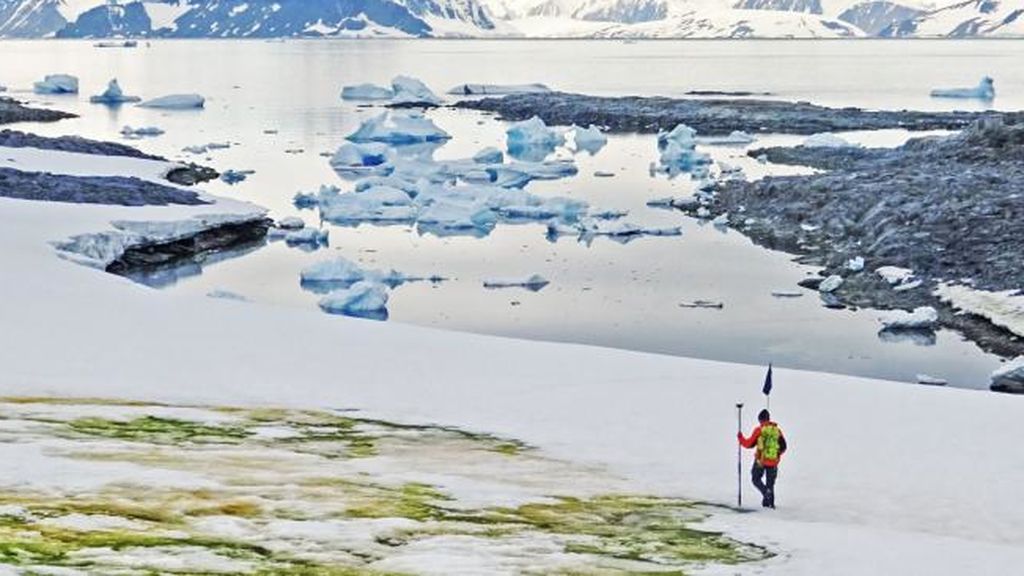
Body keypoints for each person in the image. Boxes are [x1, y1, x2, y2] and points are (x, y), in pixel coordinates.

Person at [737, 409, 787, 508]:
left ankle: (765, 493)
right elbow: (784, 446)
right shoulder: (777, 431)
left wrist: (740, 438)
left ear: (760, 420)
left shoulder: (759, 430)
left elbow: (749, 444)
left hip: (761, 460)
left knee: (755, 479)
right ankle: (770, 505)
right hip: (773, 462)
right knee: (770, 484)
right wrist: (777, 455)